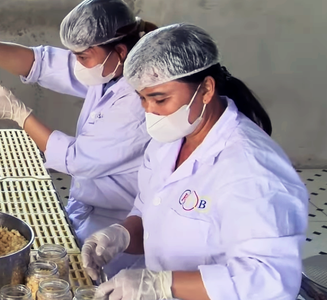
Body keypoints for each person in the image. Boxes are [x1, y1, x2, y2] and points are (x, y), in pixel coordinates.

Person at [81, 23, 308, 300]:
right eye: (142, 99)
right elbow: (151, 212)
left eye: (159, 99)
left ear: (206, 89)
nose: (149, 111)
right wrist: (122, 236)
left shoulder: (252, 169)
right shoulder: (168, 141)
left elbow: (268, 278)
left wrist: (164, 285)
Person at [0, 0, 157, 277]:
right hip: (89, 206)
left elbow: (76, 159)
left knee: (91, 281)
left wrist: (19, 114)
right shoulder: (109, 70)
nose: (77, 63)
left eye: (83, 56)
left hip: (116, 225)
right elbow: (40, 63)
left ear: (120, 52)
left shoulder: (137, 99)